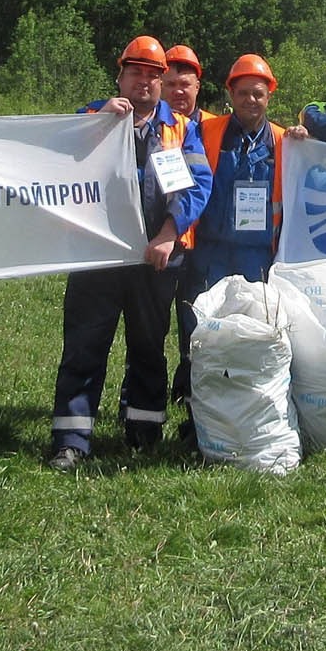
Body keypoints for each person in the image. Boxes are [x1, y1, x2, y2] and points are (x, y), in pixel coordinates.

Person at [47, 36, 213, 471]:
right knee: (84, 346)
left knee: (147, 347)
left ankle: (143, 431)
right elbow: (53, 165)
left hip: (154, 260)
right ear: (119, 76)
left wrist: (169, 233)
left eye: (153, 75)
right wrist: (98, 122)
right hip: (96, 258)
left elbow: (198, 185)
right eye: (136, 72)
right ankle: (71, 439)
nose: (145, 81)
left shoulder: (179, 127)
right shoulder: (91, 117)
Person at [179, 53, 288, 421]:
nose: (250, 100)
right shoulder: (207, 131)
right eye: (243, 93)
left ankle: (250, 414)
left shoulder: (285, 141)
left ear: (269, 95)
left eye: (257, 93)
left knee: (254, 337)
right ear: (231, 93)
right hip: (209, 252)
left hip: (258, 256)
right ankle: (200, 419)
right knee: (202, 338)